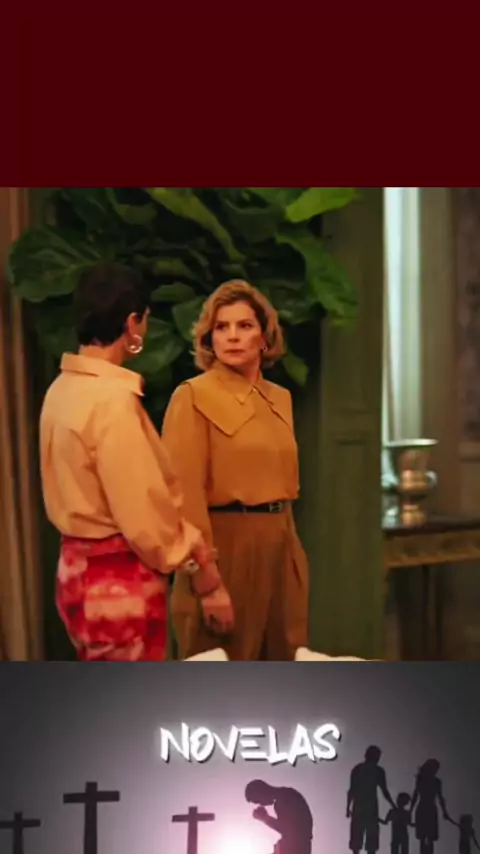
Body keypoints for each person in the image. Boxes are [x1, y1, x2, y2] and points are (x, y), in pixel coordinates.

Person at [39, 262, 233, 661]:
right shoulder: (111, 403)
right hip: (116, 584)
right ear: (131, 323)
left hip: (74, 572)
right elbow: (145, 514)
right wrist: (200, 566)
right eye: (144, 319)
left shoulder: (61, 389)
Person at [162, 280, 309, 661]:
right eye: (221, 327)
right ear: (209, 338)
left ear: (265, 336)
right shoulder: (192, 395)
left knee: (285, 670)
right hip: (225, 546)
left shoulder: (279, 398)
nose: (232, 336)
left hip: (281, 542)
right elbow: (183, 496)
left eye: (244, 326)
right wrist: (207, 582)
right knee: (221, 674)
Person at [347, 746, 395, 854]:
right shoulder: (375, 771)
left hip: (364, 807)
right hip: (367, 808)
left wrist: (348, 807)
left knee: (363, 839)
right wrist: (393, 805)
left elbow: (351, 790)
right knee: (364, 839)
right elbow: (384, 791)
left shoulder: (360, 769)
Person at [245, 779, 313, 854]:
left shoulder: (284, 799)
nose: (261, 804)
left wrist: (265, 818)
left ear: (260, 792)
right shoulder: (287, 795)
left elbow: (291, 831)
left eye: (258, 800)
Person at [410, 759, 451, 854]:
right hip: (423, 808)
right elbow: (415, 795)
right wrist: (410, 810)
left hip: (430, 809)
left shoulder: (436, 782)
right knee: (423, 837)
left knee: (430, 837)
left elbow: (440, 797)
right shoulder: (421, 780)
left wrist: (445, 812)